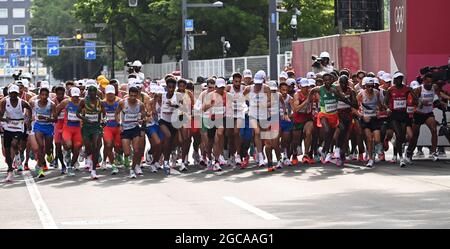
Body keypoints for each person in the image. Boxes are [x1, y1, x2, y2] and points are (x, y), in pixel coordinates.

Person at [0, 85, 32, 182]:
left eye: (15, 93)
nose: (13, 95)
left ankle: (17, 152)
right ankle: (10, 170)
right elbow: (0, 115)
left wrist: (28, 119)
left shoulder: (22, 102)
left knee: (14, 143)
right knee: (7, 149)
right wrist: (4, 119)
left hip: (19, 125)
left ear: (18, 94)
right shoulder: (5, 102)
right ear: (9, 94)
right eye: (12, 93)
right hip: (8, 126)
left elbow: (30, 109)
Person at [384, 72, 415, 167]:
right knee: (398, 134)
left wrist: (415, 101)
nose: (399, 80)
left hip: (404, 115)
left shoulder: (407, 89)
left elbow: (415, 98)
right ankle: (401, 158)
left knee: (401, 136)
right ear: (394, 80)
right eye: (397, 78)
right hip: (394, 115)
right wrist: (387, 108)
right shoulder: (391, 89)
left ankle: (397, 149)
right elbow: (385, 102)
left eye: (401, 78)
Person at [407, 73, 439, 162]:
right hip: (418, 113)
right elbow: (413, 100)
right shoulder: (419, 89)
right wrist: (420, 102)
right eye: (427, 82)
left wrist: (438, 101)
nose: (429, 84)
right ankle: (409, 152)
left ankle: (433, 152)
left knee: (434, 130)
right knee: (415, 136)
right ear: (424, 81)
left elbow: (438, 95)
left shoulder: (434, 87)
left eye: (431, 82)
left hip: (428, 113)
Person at [243, 70, 272, 168]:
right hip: (253, 115)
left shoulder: (267, 88)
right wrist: (245, 108)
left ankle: (262, 153)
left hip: (264, 115)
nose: (257, 85)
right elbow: (240, 100)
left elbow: (271, 102)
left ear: (263, 81)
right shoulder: (248, 89)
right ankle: (260, 156)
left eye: (260, 83)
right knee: (257, 132)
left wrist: (263, 105)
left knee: (264, 136)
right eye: (256, 83)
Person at [115, 86, 146, 179]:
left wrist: (141, 120)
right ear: (128, 94)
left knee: (137, 150)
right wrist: (119, 124)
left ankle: (133, 169)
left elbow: (143, 116)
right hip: (125, 130)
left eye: (134, 96)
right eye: (131, 95)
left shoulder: (140, 104)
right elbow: (116, 114)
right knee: (127, 153)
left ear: (137, 95)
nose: (133, 97)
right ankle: (128, 157)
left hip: (135, 128)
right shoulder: (122, 103)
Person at [77, 85, 106, 180]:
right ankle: (86, 152)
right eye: (90, 92)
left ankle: (93, 170)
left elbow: (104, 114)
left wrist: (104, 120)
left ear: (96, 92)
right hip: (86, 127)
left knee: (96, 146)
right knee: (88, 145)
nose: (92, 93)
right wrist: (85, 118)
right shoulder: (83, 101)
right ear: (88, 93)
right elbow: (78, 114)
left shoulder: (100, 102)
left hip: (96, 127)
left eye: (94, 92)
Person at [55, 87, 83, 176]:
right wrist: (55, 118)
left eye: (77, 96)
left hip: (78, 129)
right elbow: (56, 110)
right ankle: (66, 151)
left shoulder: (82, 102)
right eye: (74, 96)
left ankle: (70, 166)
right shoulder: (66, 102)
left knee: (77, 147)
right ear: (71, 96)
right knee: (68, 145)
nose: (75, 98)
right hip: (67, 128)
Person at [30, 87, 56, 177]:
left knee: (48, 148)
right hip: (38, 126)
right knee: (41, 146)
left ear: (48, 95)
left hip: (48, 127)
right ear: (39, 95)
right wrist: (30, 119)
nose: (44, 97)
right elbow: (29, 113)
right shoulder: (34, 103)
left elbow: (55, 119)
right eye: (42, 95)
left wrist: (47, 118)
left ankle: (49, 155)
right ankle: (40, 168)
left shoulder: (51, 104)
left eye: (46, 95)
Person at [357, 77, 382, 168]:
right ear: (364, 86)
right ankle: (370, 159)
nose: (371, 88)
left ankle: (372, 151)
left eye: (372, 86)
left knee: (377, 139)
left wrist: (380, 110)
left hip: (374, 119)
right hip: (365, 120)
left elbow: (379, 104)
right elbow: (355, 108)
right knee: (369, 138)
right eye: (368, 86)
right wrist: (362, 116)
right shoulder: (360, 94)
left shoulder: (377, 93)